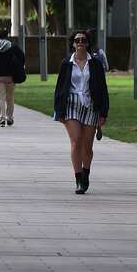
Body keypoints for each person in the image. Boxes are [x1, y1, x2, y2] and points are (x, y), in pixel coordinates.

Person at [53, 29, 110, 194]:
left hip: (91, 105)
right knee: (75, 141)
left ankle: (86, 173)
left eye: (83, 40)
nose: (80, 43)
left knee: (87, 147)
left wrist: (103, 113)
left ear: (87, 43)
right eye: (77, 40)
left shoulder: (96, 64)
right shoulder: (66, 63)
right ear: (73, 43)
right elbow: (60, 88)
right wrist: (59, 111)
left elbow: (102, 89)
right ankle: (78, 179)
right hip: (71, 104)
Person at [0, 27, 27, 128]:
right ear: (7, 36)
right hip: (11, 76)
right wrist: (19, 67)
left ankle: (1, 119)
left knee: (0, 97)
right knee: (10, 98)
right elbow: (22, 57)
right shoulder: (12, 46)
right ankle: (10, 118)